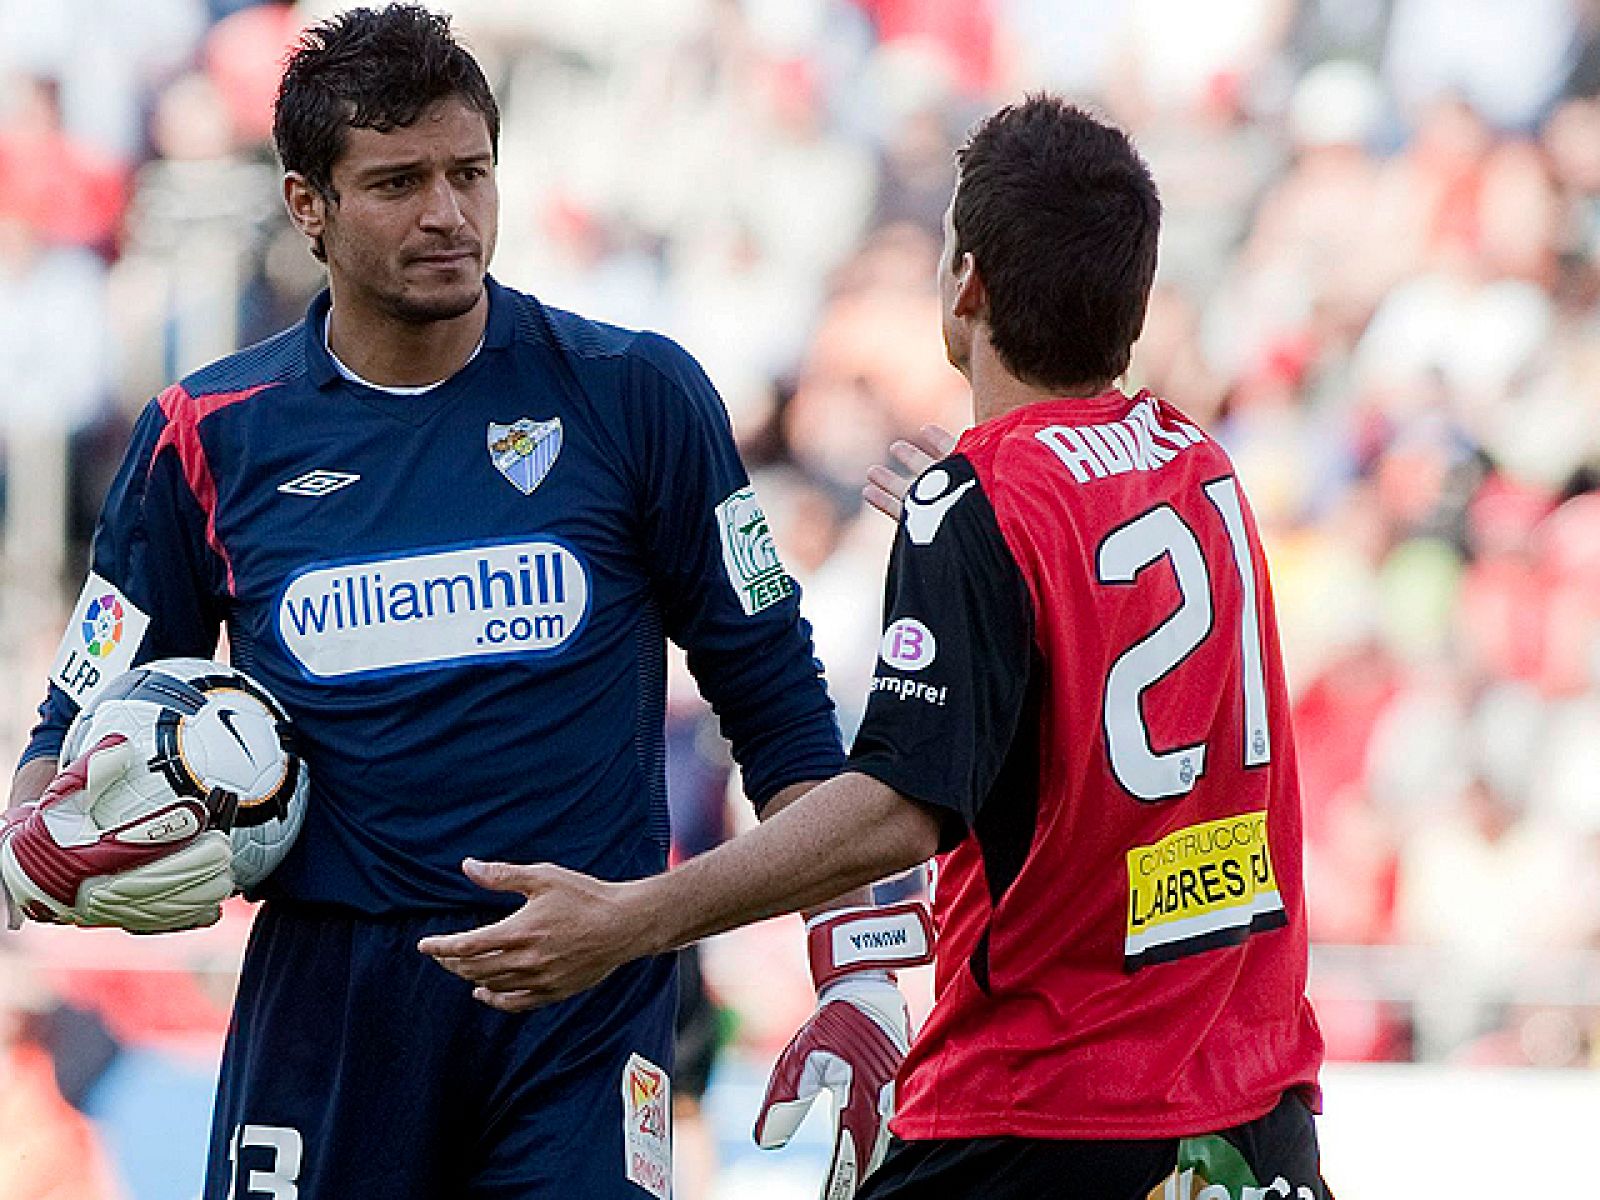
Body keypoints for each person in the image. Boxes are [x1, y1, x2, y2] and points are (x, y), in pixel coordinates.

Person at [1, 7, 922, 1197]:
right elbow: (69, 737)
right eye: (398, 183)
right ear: (307, 205)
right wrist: (54, 847)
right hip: (330, 1014)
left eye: (469, 173)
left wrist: (856, 968)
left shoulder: (634, 394)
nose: (447, 213)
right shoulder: (206, 436)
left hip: (584, 1007)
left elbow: (780, 708)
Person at [420, 95, 1330, 1199]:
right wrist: (976, 533)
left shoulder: (979, 505)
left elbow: (901, 807)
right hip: (1249, 1116)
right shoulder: (1199, 466)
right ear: (1136, 299)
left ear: (965, 284)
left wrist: (631, 921)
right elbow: (1084, 584)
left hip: (1045, 1113)